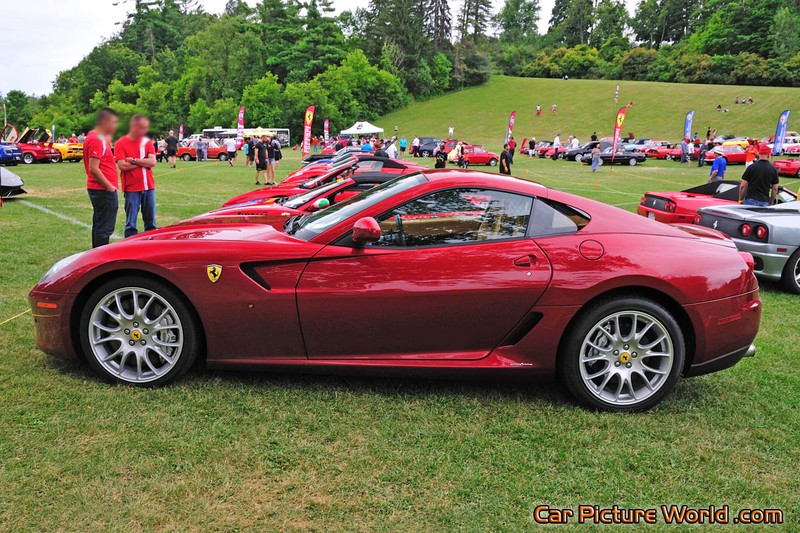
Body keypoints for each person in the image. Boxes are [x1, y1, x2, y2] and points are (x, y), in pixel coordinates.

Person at [114, 114, 157, 238]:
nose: (145, 130)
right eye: (142, 127)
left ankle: (151, 244)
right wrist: (143, 162)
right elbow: (123, 166)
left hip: (148, 187)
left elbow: (152, 162)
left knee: (151, 223)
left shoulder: (147, 142)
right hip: (131, 188)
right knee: (131, 224)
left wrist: (133, 160)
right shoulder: (121, 143)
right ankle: (130, 244)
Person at [83, 107, 119, 248]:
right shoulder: (96, 138)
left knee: (100, 225)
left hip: (101, 189)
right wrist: (109, 186)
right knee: (104, 228)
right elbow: (93, 168)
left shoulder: (100, 138)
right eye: (114, 122)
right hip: (102, 190)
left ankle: (96, 253)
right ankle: (99, 256)